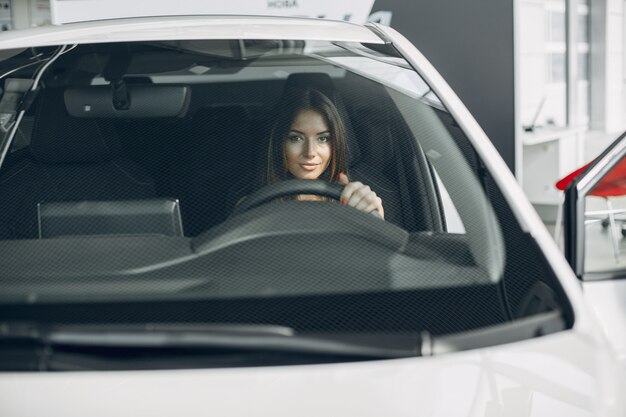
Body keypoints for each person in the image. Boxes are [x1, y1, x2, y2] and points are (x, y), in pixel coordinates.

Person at [262, 87, 384, 218]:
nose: (310, 152)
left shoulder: (357, 202)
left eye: (323, 139)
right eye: (296, 138)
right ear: (279, 144)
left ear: (336, 144)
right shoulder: (256, 206)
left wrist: (375, 217)